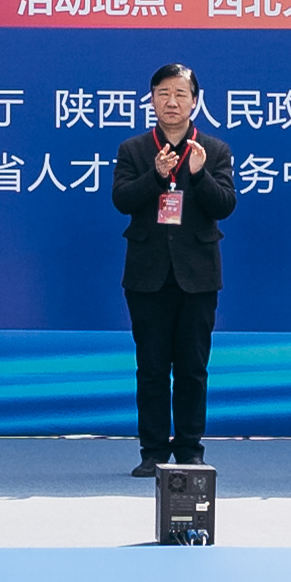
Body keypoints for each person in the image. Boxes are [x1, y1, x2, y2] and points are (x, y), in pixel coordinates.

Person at [109, 61, 236, 465]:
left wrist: (198, 175)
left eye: (181, 94)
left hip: (197, 276)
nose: (172, 101)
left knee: (193, 368)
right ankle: (152, 451)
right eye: (163, 93)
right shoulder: (133, 150)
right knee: (150, 368)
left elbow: (225, 205)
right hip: (147, 275)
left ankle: (189, 449)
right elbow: (122, 200)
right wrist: (154, 175)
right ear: (151, 100)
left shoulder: (214, 150)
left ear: (194, 101)